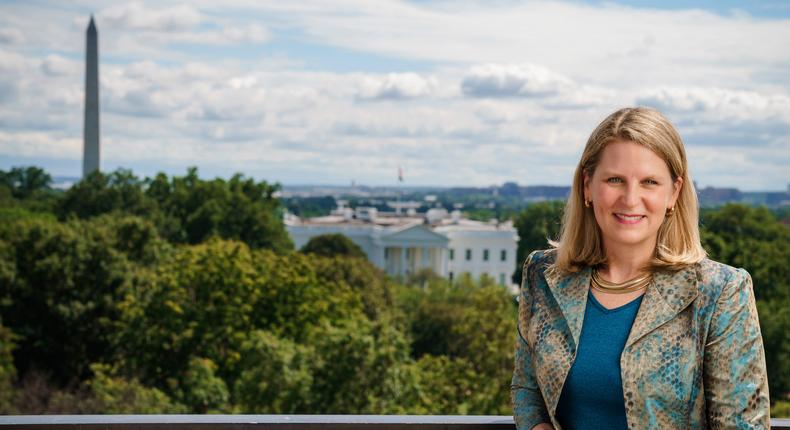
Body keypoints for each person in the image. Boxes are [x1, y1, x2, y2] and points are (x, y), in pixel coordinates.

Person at [511, 107, 770, 429]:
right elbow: (527, 389)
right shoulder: (543, 274)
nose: (631, 199)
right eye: (615, 179)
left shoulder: (720, 292)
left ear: (673, 193)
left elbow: (742, 425)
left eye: (649, 182)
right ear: (587, 186)